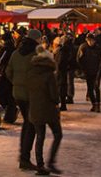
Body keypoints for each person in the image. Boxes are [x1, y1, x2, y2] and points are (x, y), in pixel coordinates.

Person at [5, 28, 41, 171]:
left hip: (18, 94)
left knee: (27, 123)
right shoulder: (36, 54)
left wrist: (17, 82)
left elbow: (8, 72)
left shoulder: (15, 53)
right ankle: (24, 159)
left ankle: (23, 157)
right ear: (36, 40)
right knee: (31, 125)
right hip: (31, 94)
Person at [27, 45, 63, 176]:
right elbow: (54, 95)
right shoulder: (49, 75)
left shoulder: (31, 72)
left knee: (40, 137)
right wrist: (57, 103)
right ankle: (51, 162)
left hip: (35, 109)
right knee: (58, 134)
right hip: (48, 110)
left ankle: (40, 166)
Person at [77, 33, 101, 112]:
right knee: (90, 88)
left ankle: (98, 105)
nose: (90, 42)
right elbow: (79, 59)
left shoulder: (98, 49)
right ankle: (94, 104)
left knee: (96, 87)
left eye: (92, 40)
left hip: (96, 71)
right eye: (89, 40)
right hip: (87, 71)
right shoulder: (83, 47)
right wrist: (82, 69)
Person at [52, 36, 70, 111]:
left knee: (60, 88)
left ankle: (62, 105)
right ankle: (62, 104)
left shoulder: (60, 51)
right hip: (61, 72)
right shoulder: (60, 51)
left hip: (60, 73)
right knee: (61, 88)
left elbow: (59, 62)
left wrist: (56, 70)